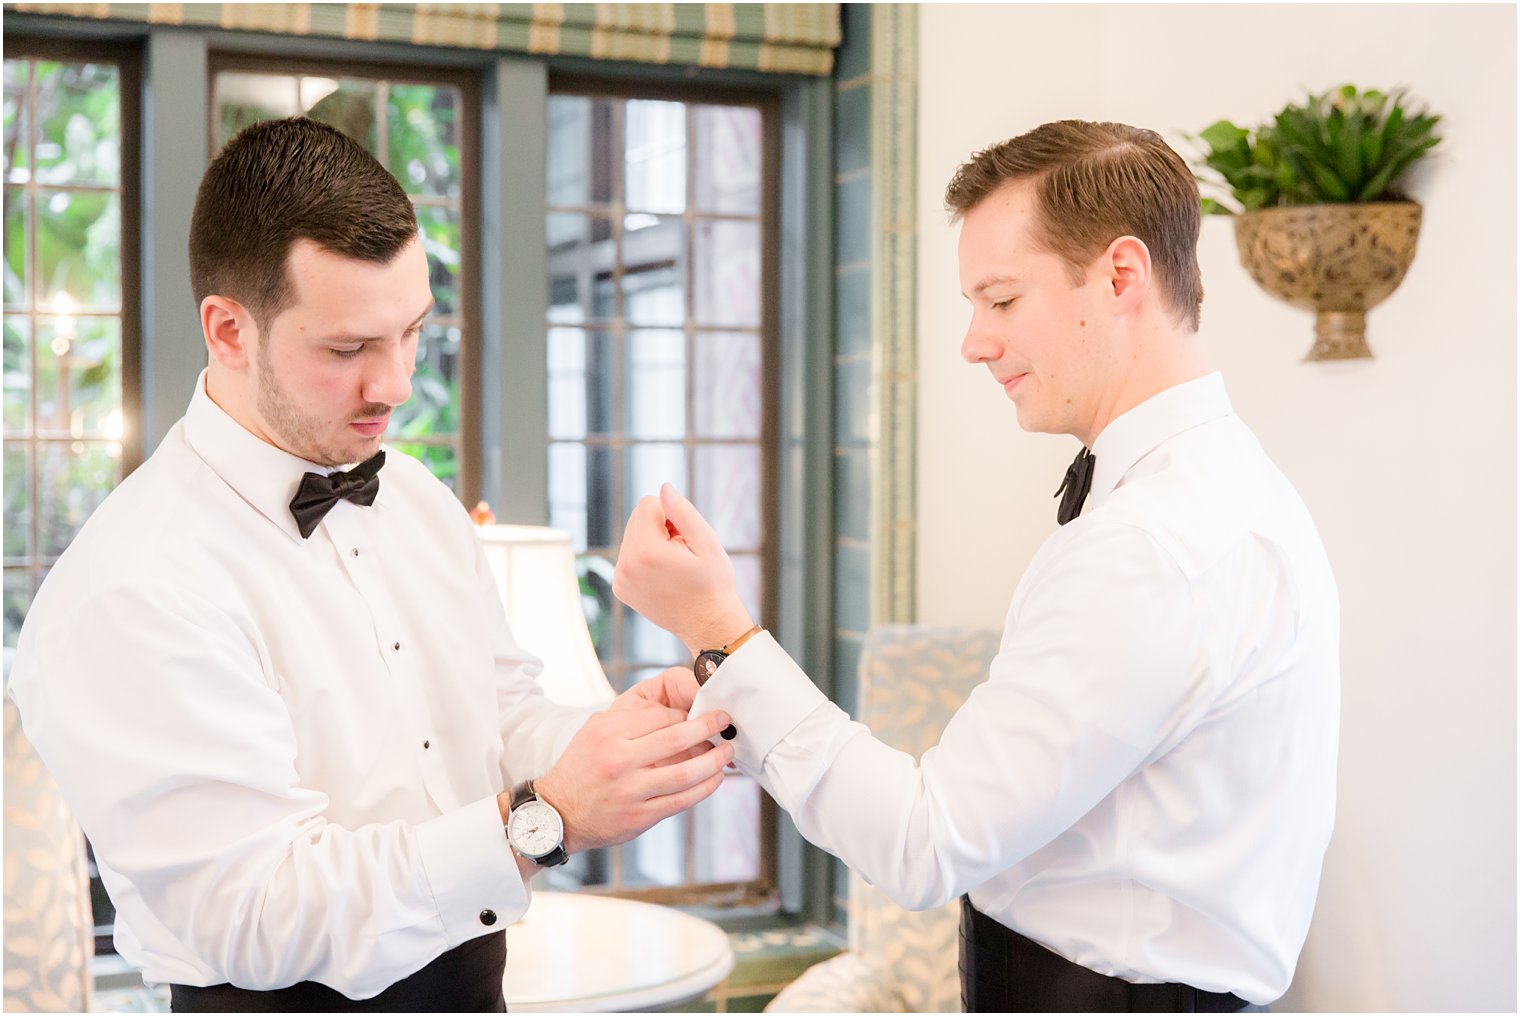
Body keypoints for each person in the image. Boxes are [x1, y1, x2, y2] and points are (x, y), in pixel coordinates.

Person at [5, 117, 734, 1012]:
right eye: (348, 349)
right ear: (230, 331)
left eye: (413, 333)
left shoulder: (420, 501)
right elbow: (252, 912)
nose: (392, 383)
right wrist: (546, 820)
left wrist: (611, 747)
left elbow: (498, 721)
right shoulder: (132, 587)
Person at [613, 120, 1340, 1013]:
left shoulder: (1149, 547)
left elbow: (929, 843)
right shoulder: (1227, 485)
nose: (973, 342)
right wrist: (739, 710)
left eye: (999, 301)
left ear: (1120, 277)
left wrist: (718, 629)